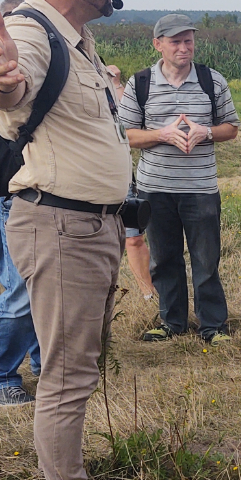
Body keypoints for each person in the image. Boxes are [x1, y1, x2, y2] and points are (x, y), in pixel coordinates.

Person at [0, 0, 133, 480]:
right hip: (64, 226)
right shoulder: (31, 32)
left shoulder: (79, 38)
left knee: (74, 367)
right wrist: (1, 78)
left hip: (89, 226)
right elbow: (8, 84)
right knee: (66, 375)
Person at [118, 14, 240, 343]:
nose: (184, 48)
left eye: (188, 41)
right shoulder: (140, 83)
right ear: (158, 44)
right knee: (163, 258)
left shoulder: (212, 81)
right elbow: (125, 135)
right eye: (175, 42)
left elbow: (231, 128)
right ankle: (172, 322)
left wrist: (205, 132)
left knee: (206, 259)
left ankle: (213, 325)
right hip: (154, 187)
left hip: (200, 187)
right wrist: (163, 134)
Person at [0, 0, 41, 407]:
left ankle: (41, 360)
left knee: (42, 287)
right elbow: (1, 92)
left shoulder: (52, 60)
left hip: (40, 194)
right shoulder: (1, 66)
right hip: (9, 193)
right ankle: (0, 376)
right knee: (20, 288)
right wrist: (2, 78)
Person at [102, 63, 156, 305]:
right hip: (87, 173)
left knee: (133, 237)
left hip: (117, 170)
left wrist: (114, 83)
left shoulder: (108, 90)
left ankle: (148, 294)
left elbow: (129, 122)